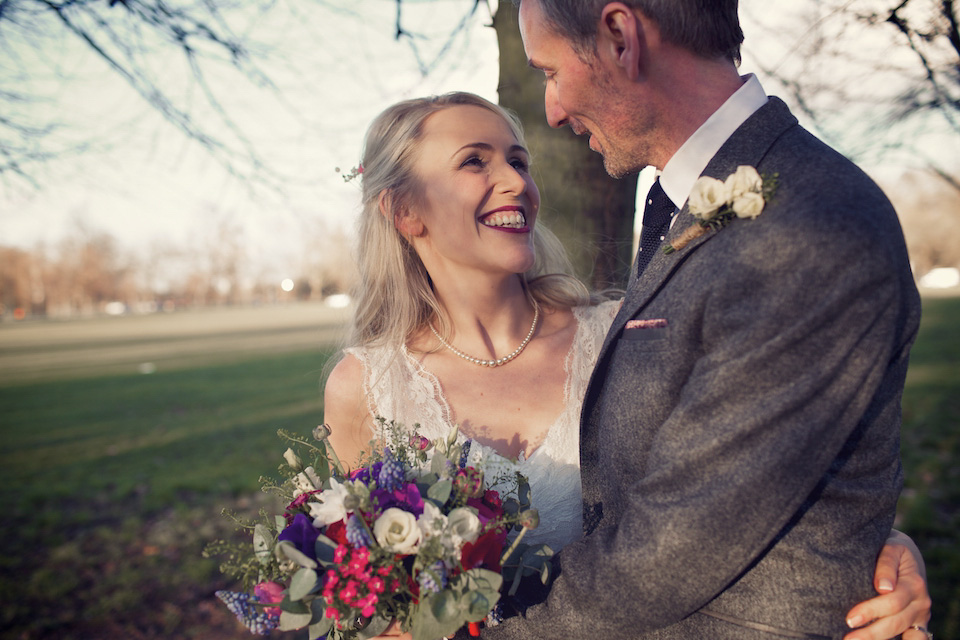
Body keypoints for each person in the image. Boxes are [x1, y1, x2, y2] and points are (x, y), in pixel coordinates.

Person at [322, 91, 930, 640]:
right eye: (474, 161)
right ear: (405, 212)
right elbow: (363, 595)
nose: (514, 180)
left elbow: (738, 482)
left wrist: (879, 548)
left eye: (519, 160)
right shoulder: (366, 390)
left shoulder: (619, 334)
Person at [474, 0, 932, 639]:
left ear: (618, 36)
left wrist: (473, 626)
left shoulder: (811, 226)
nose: (551, 110)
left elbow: (684, 536)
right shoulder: (685, 202)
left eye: (550, 72)